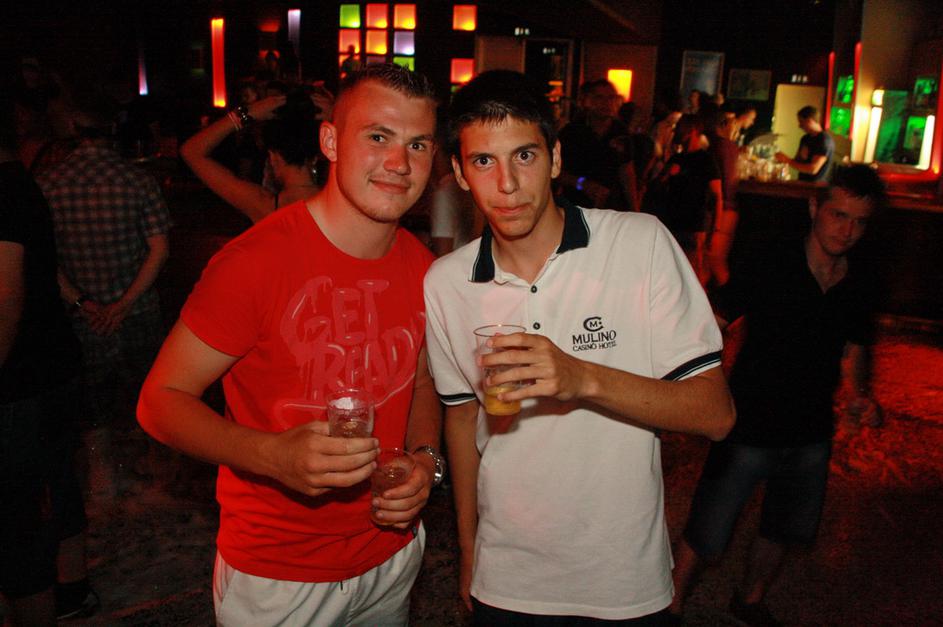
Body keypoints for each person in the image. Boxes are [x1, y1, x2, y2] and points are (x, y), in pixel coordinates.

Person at [423, 69, 735, 624]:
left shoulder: (639, 244)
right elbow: (462, 420)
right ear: (460, 174)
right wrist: (470, 550)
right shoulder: (446, 283)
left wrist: (582, 377)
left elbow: (715, 414)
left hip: (623, 578)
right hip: (507, 578)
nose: (507, 184)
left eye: (524, 155)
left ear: (556, 159)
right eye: (483, 161)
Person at [137, 64, 444, 626]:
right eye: (378, 137)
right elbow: (160, 401)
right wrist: (272, 456)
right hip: (279, 575)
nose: (400, 163)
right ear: (331, 142)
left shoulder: (425, 268)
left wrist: (425, 461)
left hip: (391, 555)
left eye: (417, 144)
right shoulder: (254, 263)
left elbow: (422, 382)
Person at [670, 165, 886, 626]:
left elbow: (854, 347)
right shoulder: (773, 260)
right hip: (749, 421)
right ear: (814, 208)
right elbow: (718, 319)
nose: (847, 231)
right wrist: (692, 380)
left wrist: (858, 395)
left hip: (811, 429)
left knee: (784, 528)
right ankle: (670, 604)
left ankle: (749, 600)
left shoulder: (861, 279)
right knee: (710, 524)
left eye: (859, 222)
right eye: (838, 215)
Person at [38, 97, 172, 510]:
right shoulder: (136, 179)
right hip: (136, 309)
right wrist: (124, 303)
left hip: (85, 313)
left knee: (91, 399)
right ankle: (158, 472)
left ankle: (102, 476)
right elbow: (159, 249)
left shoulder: (47, 183)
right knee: (150, 391)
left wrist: (83, 302)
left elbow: (44, 258)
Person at [0, 97, 96, 626]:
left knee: (18, 520)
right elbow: (40, 271)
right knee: (56, 482)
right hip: (52, 363)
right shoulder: (22, 184)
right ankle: (73, 589)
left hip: (20, 378)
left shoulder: (7, 189)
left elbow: (6, 299)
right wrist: (81, 301)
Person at [180, 88, 330, 224]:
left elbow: (191, 151)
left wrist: (244, 114)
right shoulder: (337, 203)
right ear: (317, 155)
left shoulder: (262, 206)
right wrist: (337, 116)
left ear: (273, 157)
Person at [652, 114, 723, 285]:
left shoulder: (706, 160)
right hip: (673, 224)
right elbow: (655, 189)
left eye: (681, 127)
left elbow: (717, 196)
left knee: (691, 275)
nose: (677, 131)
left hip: (694, 225)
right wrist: (666, 174)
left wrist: (714, 231)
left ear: (692, 131)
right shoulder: (676, 159)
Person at [557, 80, 635, 211]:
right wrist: (582, 184)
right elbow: (556, 172)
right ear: (588, 101)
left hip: (611, 205)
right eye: (599, 98)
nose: (606, 103)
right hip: (577, 203)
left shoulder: (620, 132)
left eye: (611, 98)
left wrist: (634, 208)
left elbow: (626, 170)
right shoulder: (572, 132)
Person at [705, 109, 742, 286]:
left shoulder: (719, 147)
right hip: (728, 208)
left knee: (714, 260)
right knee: (711, 262)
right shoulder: (730, 146)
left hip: (722, 209)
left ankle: (728, 298)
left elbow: (723, 183)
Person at [775, 105, 834, 182]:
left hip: (814, 186)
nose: (799, 126)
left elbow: (813, 170)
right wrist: (782, 162)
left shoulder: (824, 140)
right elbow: (796, 162)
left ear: (809, 121)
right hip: (801, 182)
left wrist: (787, 160)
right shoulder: (805, 138)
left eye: (801, 122)